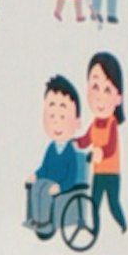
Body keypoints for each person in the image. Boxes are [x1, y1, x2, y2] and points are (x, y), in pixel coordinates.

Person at [30, 76, 88, 242]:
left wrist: (61, 186)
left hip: (64, 185)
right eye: (52, 117)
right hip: (48, 181)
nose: (56, 123)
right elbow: (44, 168)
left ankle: (46, 221)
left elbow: (71, 176)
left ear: (76, 122)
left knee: (47, 190)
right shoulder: (51, 148)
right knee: (37, 187)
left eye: (62, 118)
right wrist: (35, 175)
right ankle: (38, 219)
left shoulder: (70, 151)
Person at [83, 48, 127, 237]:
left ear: (118, 98)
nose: (100, 96)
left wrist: (99, 152)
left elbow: (110, 147)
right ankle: (95, 229)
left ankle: (123, 224)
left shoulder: (111, 124)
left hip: (111, 173)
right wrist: (75, 142)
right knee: (94, 202)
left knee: (113, 203)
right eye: (95, 87)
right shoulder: (94, 124)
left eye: (107, 89)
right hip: (98, 173)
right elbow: (86, 139)